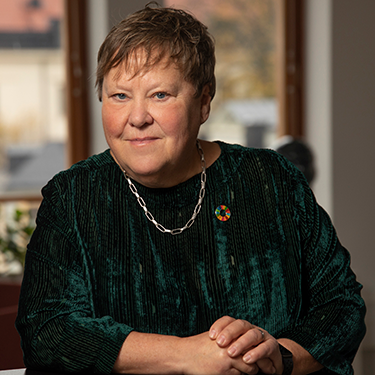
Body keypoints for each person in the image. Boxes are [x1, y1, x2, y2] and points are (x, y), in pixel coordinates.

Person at [16, 3, 366, 375]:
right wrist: (187, 356)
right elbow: (46, 328)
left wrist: (276, 356)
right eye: (120, 96)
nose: (137, 118)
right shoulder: (74, 197)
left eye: (160, 95)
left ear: (203, 102)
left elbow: (341, 305)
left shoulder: (271, 179)